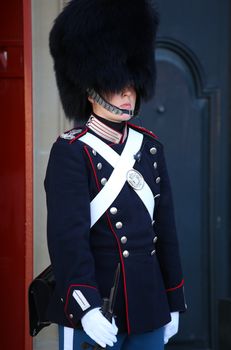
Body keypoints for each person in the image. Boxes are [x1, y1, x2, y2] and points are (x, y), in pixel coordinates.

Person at [45, 1, 187, 349]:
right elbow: (68, 241)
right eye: (115, 83)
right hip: (97, 310)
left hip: (149, 308)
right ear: (90, 86)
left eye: (132, 83)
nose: (128, 92)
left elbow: (164, 233)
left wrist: (174, 301)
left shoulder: (149, 146)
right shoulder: (71, 150)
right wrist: (86, 307)